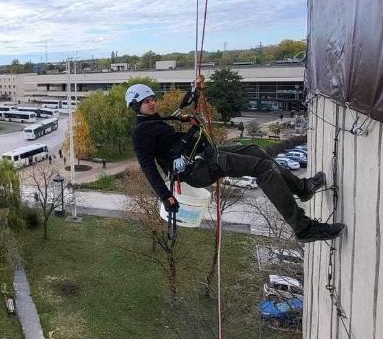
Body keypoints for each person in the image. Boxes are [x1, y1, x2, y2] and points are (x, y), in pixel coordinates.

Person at [126, 84, 344, 242]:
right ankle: (303, 227)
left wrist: (193, 93)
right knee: (263, 169)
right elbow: (147, 167)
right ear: (136, 106)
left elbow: (178, 118)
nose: (152, 102)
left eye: (153, 98)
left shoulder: (157, 121)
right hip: (197, 169)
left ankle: (302, 188)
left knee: (255, 150)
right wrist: (166, 197)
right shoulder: (140, 133)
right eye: (146, 101)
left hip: (204, 154)